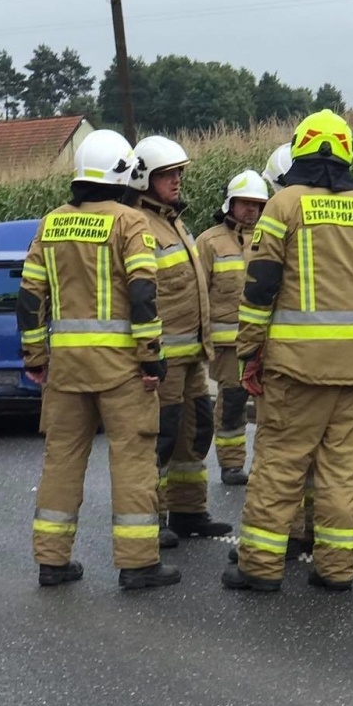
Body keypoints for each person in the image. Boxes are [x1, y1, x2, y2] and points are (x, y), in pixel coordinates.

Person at [222, 112, 353, 593]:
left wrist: (248, 354)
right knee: (344, 470)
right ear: (346, 153)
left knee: (280, 466)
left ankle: (260, 567)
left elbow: (260, 289)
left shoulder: (283, 205)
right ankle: (336, 569)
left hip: (296, 368)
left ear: (299, 149)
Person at [18, 130, 179, 590]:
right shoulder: (130, 222)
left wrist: (36, 356)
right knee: (133, 462)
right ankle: (138, 563)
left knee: (62, 462)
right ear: (122, 175)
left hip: (67, 369)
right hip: (122, 370)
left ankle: (52, 561)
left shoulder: (51, 224)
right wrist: (150, 359)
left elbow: (29, 297)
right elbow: (143, 293)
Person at [130, 135, 231, 542]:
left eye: (178, 174)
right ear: (143, 179)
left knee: (195, 433)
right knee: (161, 438)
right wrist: (147, 355)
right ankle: (150, 519)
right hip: (163, 358)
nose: (176, 181)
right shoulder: (140, 224)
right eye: (166, 175)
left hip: (190, 357)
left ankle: (189, 511)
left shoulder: (173, 221)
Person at [195, 170, 269, 486]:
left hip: (267, 340)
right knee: (232, 402)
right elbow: (197, 293)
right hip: (228, 345)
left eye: (256, 204)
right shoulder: (209, 242)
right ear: (230, 204)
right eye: (244, 203)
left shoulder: (272, 237)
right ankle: (232, 463)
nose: (251, 209)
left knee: (272, 404)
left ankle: (268, 465)